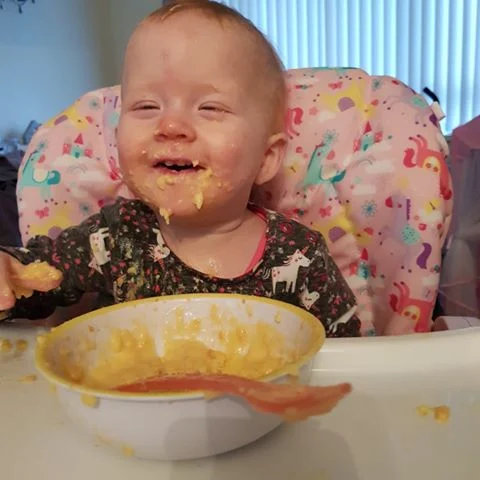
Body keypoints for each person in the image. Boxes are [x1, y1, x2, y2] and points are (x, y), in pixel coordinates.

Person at [0, 0, 361, 337]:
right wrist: (7, 273)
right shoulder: (112, 239)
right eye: (146, 107)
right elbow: (33, 283)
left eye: (209, 108)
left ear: (266, 159)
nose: (170, 126)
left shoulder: (298, 256)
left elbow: (352, 357)